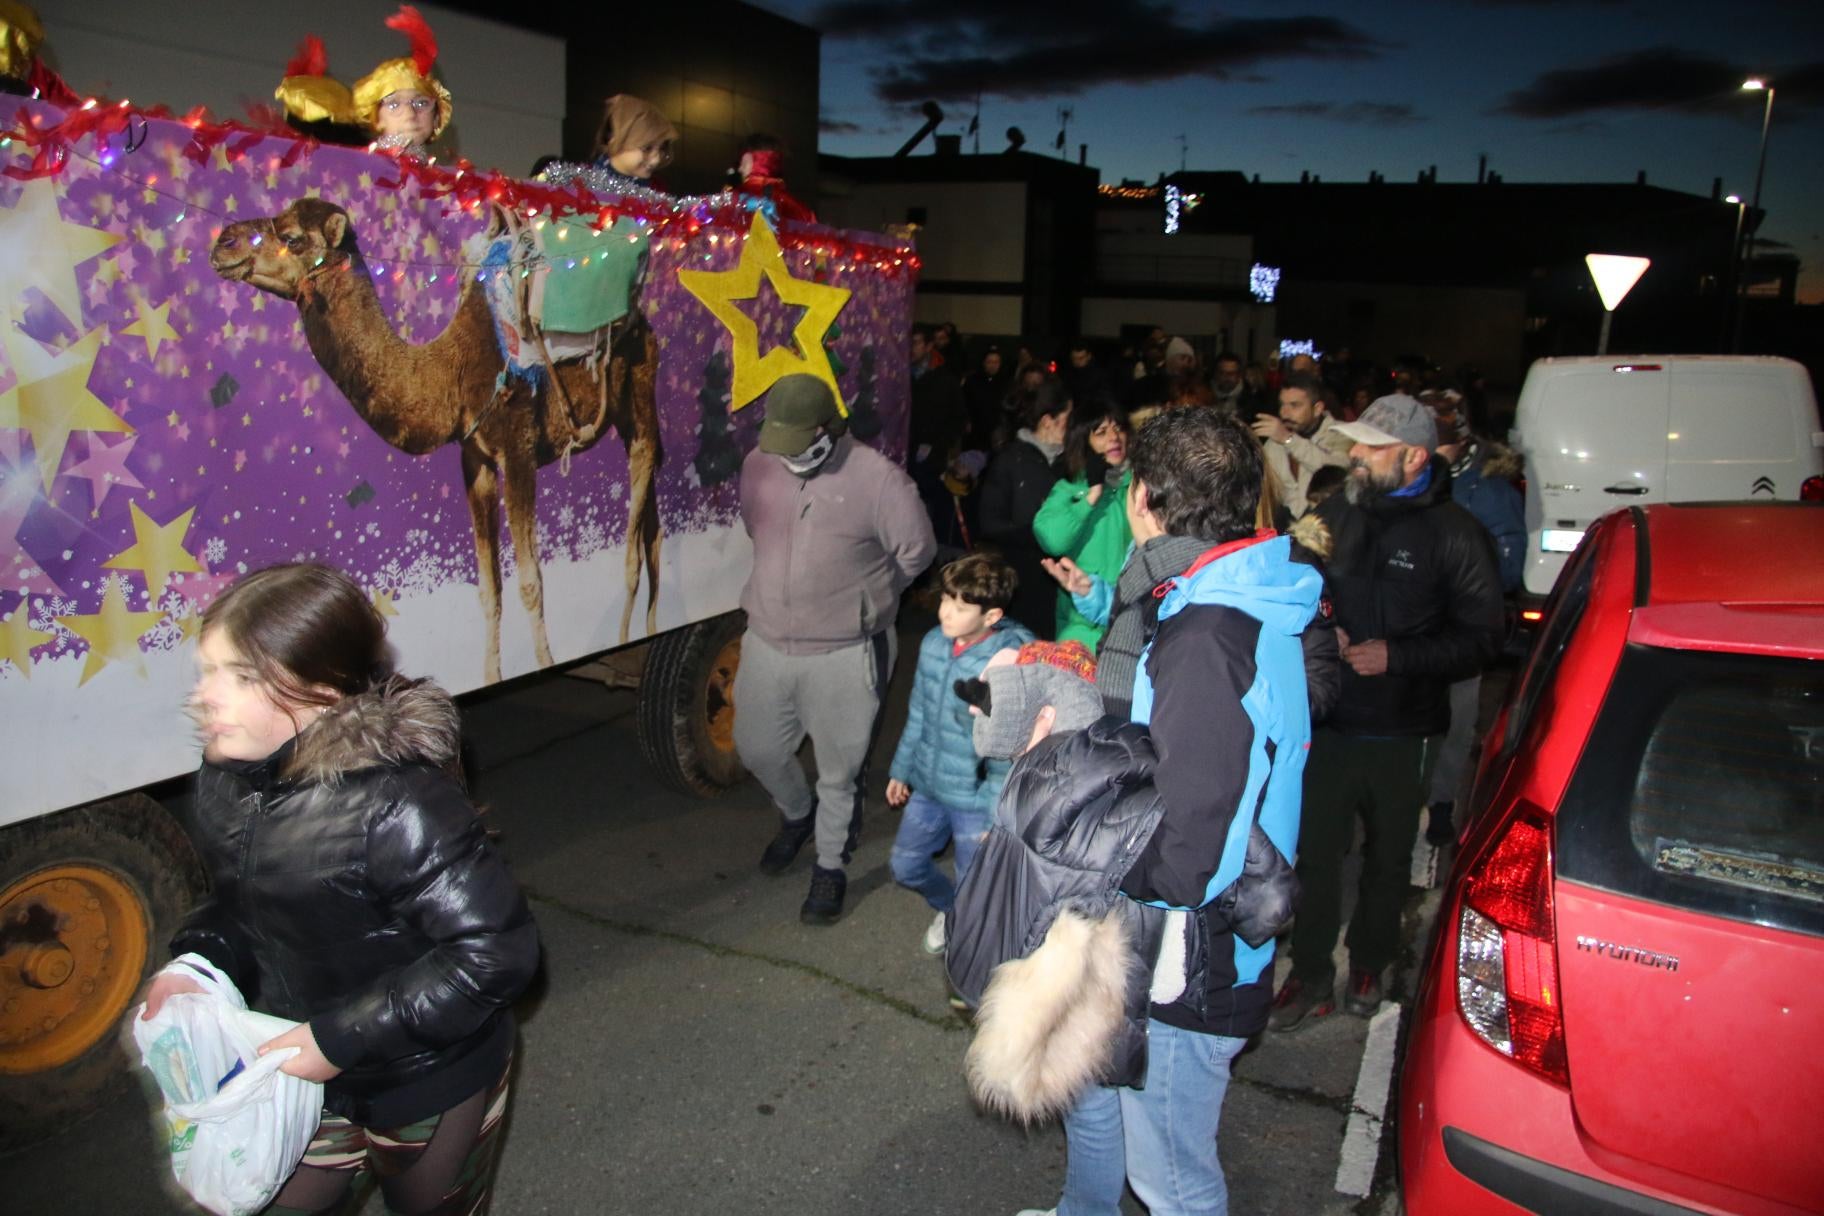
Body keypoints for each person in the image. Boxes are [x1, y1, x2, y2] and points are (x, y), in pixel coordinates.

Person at [140, 562, 539, 1216]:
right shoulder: (227, 778)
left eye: (240, 677)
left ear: (321, 692)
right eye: (207, 670)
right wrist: (200, 961)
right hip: (299, 1077)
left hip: (427, 1082)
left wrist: (339, 1039)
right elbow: (247, 901)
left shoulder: (398, 804)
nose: (206, 697)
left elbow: (497, 954)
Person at [1017, 408, 1322, 1216]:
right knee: (1120, 1120)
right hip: (1189, 944)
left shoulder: (1204, 635)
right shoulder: (1229, 592)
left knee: (1174, 1183)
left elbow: (1189, 854)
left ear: (1142, 497)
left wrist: (1091, 865)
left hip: (1190, 962)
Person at [1270, 394, 1504, 1030]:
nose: (1356, 456)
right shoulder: (1334, 510)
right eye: (1356, 444)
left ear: (1415, 456)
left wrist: (1398, 655)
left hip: (1404, 726)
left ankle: (1370, 960)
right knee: (1314, 854)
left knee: (1387, 856)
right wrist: (1325, 630)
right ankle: (1312, 972)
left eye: (1372, 448)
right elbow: (1291, 581)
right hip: (1330, 721)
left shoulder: (1455, 533)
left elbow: (1486, 636)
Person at [733, 374, 937, 925]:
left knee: (839, 770)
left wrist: (872, 597)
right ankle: (798, 816)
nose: (784, 455)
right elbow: (756, 525)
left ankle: (830, 865)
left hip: (848, 649)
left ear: (825, 430)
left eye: (796, 442)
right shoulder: (759, 464)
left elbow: (917, 550)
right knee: (757, 748)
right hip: (768, 640)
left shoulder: (879, 480)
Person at [886, 554, 1033, 954]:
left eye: (960, 607)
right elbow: (917, 711)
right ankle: (952, 910)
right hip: (930, 786)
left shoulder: (1008, 661)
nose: (945, 613)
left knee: (975, 880)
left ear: (992, 615)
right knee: (905, 866)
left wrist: (994, 816)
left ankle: (971, 947)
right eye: (945, 599)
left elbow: (1008, 750)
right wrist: (902, 769)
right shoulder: (934, 643)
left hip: (975, 797)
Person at [1424, 403, 1524, 845]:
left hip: (1462, 627)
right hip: (1417, 626)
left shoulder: (1490, 491)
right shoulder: (1412, 487)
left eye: (1436, 442)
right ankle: (1406, 804)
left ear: (1460, 440)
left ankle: (1441, 801)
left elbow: (1508, 564)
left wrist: (1464, 583)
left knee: (1458, 720)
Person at [274, 6, 453, 159]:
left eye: (422, 103)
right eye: (393, 104)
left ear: (437, 117)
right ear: (376, 119)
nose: (409, 113)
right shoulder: (363, 169)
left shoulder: (448, 184)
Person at [1032, 398, 1132, 648]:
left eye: (1118, 428)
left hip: (1134, 620)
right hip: (1084, 627)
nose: (1114, 437)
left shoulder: (1140, 488)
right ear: (1083, 442)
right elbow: (1052, 540)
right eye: (1101, 432)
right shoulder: (1069, 490)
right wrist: (1091, 496)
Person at [977, 378, 1070, 638]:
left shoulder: (1072, 461)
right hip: (1022, 580)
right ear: (1047, 421)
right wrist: (1038, 534)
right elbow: (989, 523)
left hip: (1064, 583)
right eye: (1067, 418)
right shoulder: (1011, 460)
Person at [1252, 370, 1354, 517]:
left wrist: (1289, 440)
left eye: (1294, 405)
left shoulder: (1342, 434)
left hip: (1329, 529)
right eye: (1282, 404)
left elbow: (1337, 473)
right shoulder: (1275, 442)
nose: (1284, 413)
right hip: (1287, 532)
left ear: (1317, 409)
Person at [539, 94, 679, 197]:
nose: (656, 159)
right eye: (647, 148)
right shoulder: (576, 183)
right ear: (613, 137)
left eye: (661, 149)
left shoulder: (657, 191)